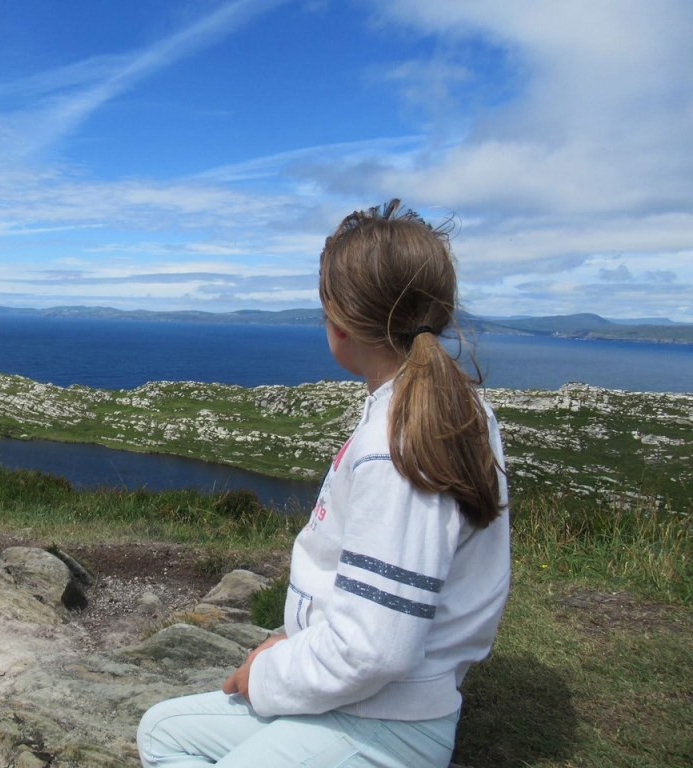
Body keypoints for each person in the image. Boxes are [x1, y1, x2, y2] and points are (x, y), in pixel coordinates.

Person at [136, 200, 511, 767]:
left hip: (386, 722)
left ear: (340, 321)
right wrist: (296, 644)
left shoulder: (399, 444)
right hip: (363, 700)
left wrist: (267, 673)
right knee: (162, 732)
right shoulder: (445, 405)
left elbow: (375, 649)